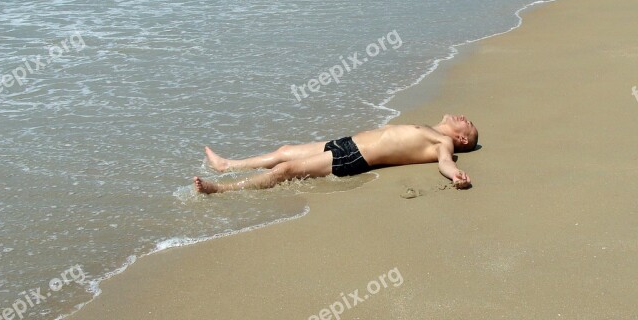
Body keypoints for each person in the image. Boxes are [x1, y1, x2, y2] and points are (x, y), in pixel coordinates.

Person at [193, 114, 478, 194]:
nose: (465, 117)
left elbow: (444, 161)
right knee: (285, 152)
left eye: (469, 124)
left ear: (462, 138)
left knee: (286, 170)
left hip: (355, 157)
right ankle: (226, 165)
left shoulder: (444, 142)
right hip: (347, 143)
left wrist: (455, 175)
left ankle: (219, 189)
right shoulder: (431, 126)